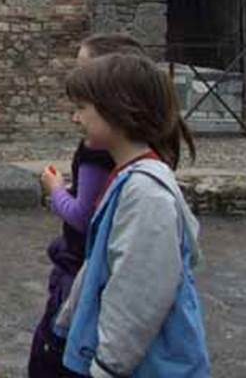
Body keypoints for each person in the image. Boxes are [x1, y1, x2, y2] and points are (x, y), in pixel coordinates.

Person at [54, 52, 209, 377]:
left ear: (117, 112)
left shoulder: (145, 194)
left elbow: (139, 296)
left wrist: (108, 366)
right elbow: (100, 263)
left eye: (82, 108)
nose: (75, 119)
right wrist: (69, 320)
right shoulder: (127, 178)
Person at [29, 34, 148, 377]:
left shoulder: (100, 155)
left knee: (51, 356)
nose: (74, 115)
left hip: (82, 268)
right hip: (91, 270)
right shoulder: (141, 154)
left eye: (81, 104)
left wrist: (55, 189)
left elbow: (83, 216)